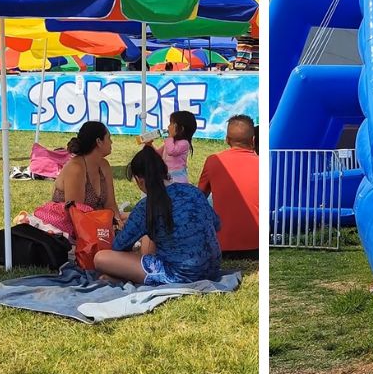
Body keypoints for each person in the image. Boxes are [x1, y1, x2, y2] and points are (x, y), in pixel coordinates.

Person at [94, 146, 221, 285]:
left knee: (101, 258)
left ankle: (127, 276)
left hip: (181, 273)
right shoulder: (192, 191)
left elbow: (118, 247)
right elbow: (216, 224)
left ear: (139, 180)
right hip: (212, 267)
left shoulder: (146, 207)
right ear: (165, 171)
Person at [198, 114, 259, 255]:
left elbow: (199, 197)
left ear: (226, 139)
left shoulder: (213, 161)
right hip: (258, 246)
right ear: (253, 140)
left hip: (223, 247)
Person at [53, 121, 120, 219]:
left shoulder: (104, 165)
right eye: (109, 138)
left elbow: (110, 205)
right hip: (70, 228)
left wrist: (117, 222)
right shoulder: (76, 169)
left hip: (97, 224)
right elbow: (75, 214)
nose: (111, 142)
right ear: (99, 142)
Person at [149, 110, 197, 184]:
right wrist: (150, 145)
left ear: (181, 128)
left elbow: (171, 151)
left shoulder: (184, 143)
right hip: (166, 176)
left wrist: (170, 136)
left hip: (177, 179)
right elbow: (158, 154)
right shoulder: (171, 142)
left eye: (171, 124)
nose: (168, 126)